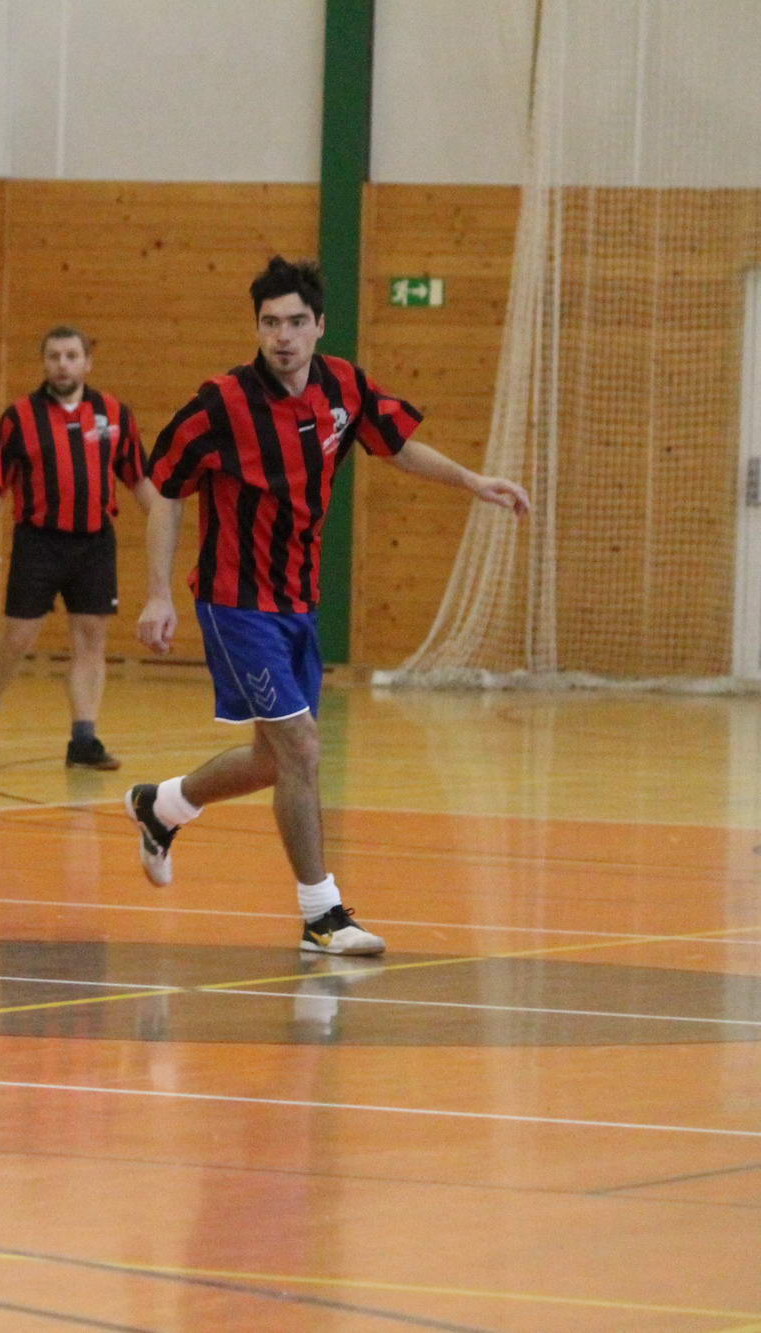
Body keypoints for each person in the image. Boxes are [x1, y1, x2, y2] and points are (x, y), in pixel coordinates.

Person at [129, 256, 530, 955]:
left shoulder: (344, 385)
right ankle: (322, 914)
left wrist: (472, 480)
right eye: (269, 323)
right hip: (236, 601)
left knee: (274, 759)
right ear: (257, 328)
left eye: (294, 322)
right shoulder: (221, 403)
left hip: (298, 600)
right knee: (303, 748)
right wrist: (159, 592)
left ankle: (162, 805)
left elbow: (397, 447)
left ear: (319, 325)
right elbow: (165, 487)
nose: (281, 336)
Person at [0, 326, 157, 769]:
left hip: (95, 543)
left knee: (91, 637)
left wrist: (164, 526)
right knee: (17, 636)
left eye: (71, 356)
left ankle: (83, 739)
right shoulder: (19, 417)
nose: (62, 364)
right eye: (54, 356)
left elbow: (139, 479)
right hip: (39, 543)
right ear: (44, 362)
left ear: (87, 362)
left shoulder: (114, 415)